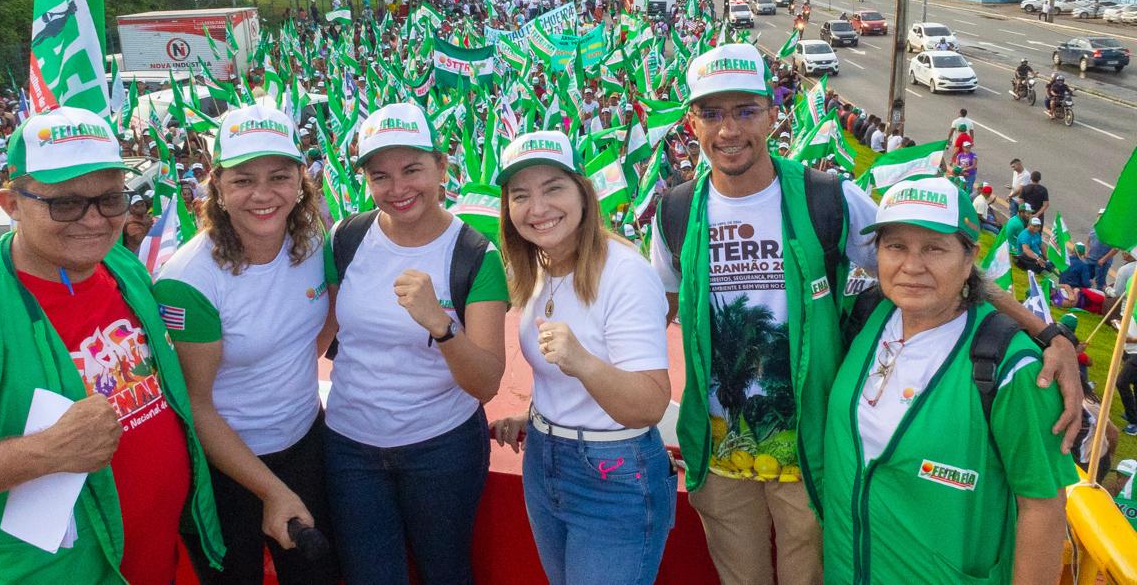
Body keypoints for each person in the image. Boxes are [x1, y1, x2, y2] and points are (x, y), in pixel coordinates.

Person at [650, 43, 1081, 585]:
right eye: (712, 113)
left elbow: (927, 260)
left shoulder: (827, 197)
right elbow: (652, 316)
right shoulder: (676, 212)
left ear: (773, 112)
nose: (728, 130)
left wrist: (1047, 333)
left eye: (745, 110)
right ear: (692, 122)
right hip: (720, 452)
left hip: (813, 453)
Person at [0, 106, 224, 583]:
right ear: (12, 204)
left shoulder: (120, 267)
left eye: (110, 199)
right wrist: (48, 452)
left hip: (156, 560)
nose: (94, 220)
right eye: (65, 203)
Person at [823, 177, 1075, 584]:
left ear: (969, 258)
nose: (911, 265)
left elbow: (1043, 507)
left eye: (934, 248)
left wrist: (1053, 338)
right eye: (896, 246)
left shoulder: (1013, 369)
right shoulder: (864, 315)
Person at [322, 102, 509, 585]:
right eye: (380, 176)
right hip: (350, 448)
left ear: (442, 166)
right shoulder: (346, 238)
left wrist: (441, 325)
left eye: (412, 170)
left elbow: (486, 383)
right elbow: (318, 330)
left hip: (442, 448)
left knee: (444, 571)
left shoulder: (474, 255)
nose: (398, 188)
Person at [154, 104, 337, 584]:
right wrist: (271, 491)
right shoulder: (189, 280)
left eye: (278, 177)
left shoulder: (316, 241)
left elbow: (319, 330)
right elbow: (197, 405)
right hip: (224, 470)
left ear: (301, 179)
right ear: (217, 185)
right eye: (242, 179)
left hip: (303, 442)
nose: (263, 194)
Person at [489, 130, 674, 585]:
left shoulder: (625, 274)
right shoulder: (536, 268)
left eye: (553, 188)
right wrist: (536, 416)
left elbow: (650, 405)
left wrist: (584, 362)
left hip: (613, 475)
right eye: (520, 195)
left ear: (583, 194)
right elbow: (558, 378)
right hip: (544, 460)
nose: (538, 208)